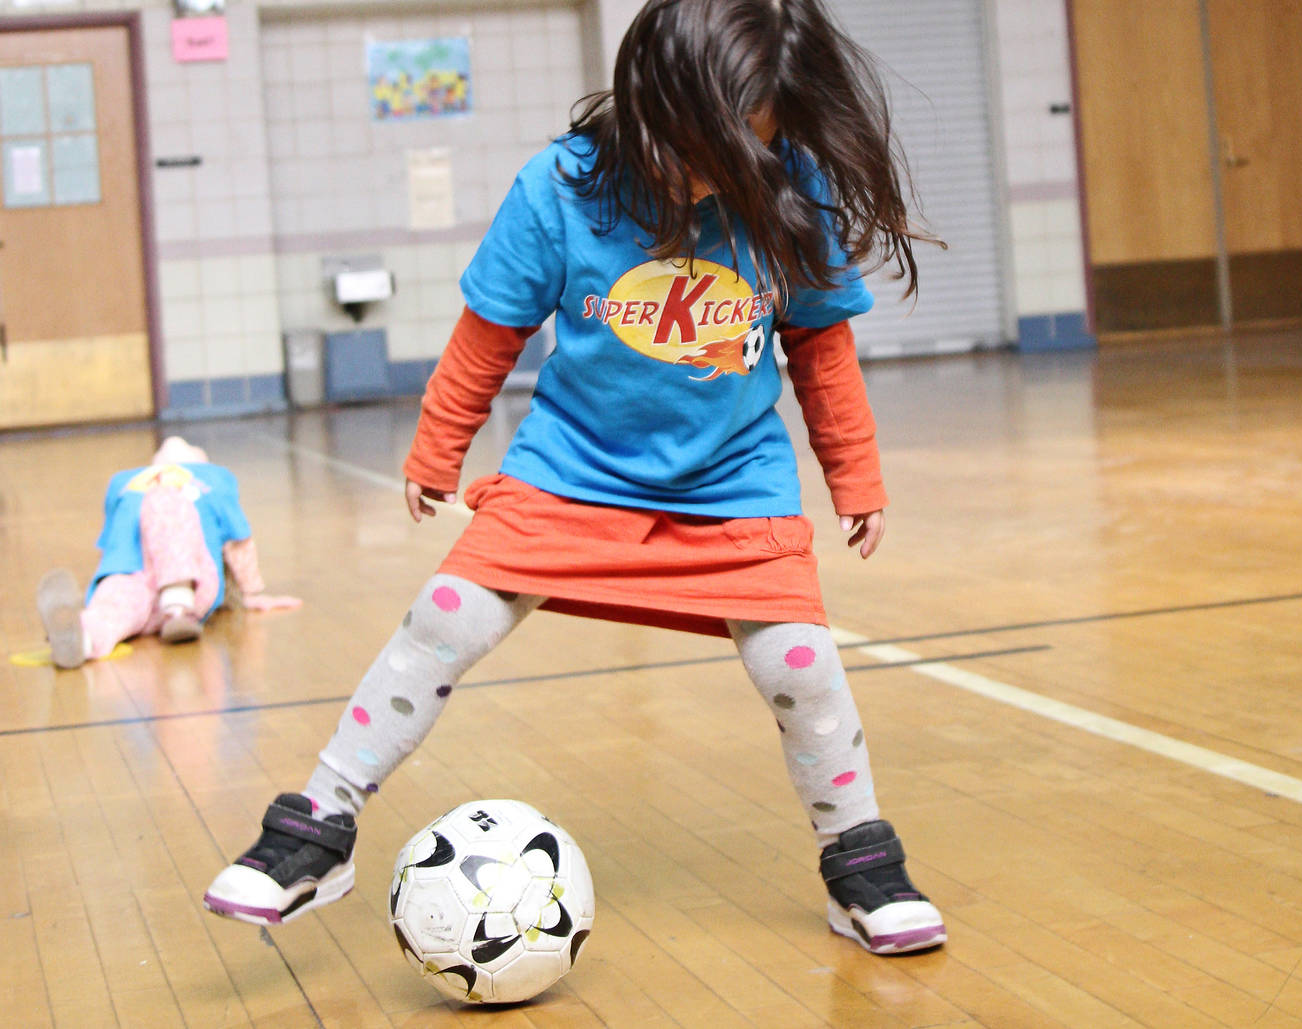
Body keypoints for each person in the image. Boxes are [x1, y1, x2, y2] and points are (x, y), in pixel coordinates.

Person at [205, 0, 947, 955]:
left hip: (732, 480)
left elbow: (822, 351)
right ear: (649, 99)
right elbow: (488, 334)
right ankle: (320, 826)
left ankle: (861, 865)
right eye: (697, 151)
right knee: (443, 618)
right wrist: (439, 447)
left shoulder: (786, 188)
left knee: (800, 668)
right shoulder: (561, 186)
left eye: (740, 156)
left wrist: (857, 476)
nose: (712, 180)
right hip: (574, 468)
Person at [36, 436, 301, 669]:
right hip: (155, 582)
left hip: (181, 578)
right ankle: (80, 639)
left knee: (165, 501)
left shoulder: (125, 483)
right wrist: (250, 592)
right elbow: (239, 541)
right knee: (113, 608)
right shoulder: (215, 479)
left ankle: (162, 606)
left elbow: (109, 545)